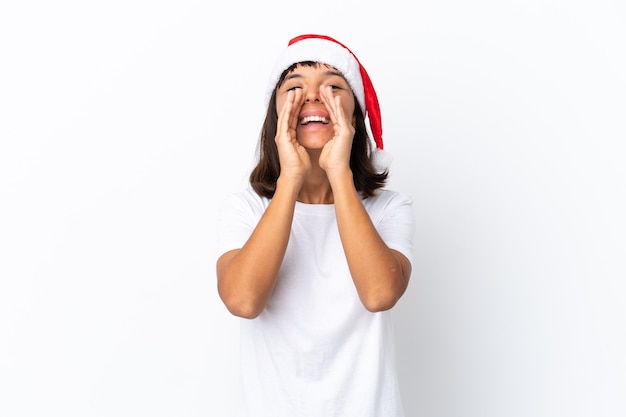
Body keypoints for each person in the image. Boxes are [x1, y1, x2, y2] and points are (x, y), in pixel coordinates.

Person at [216, 34, 414, 417]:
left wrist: (337, 170)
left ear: (354, 114)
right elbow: (242, 301)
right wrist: (290, 177)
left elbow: (379, 294)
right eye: (295, 86)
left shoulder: (390, 208)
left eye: (333, 85)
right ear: (275, 115)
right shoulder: (245, 208)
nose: (313, 95)